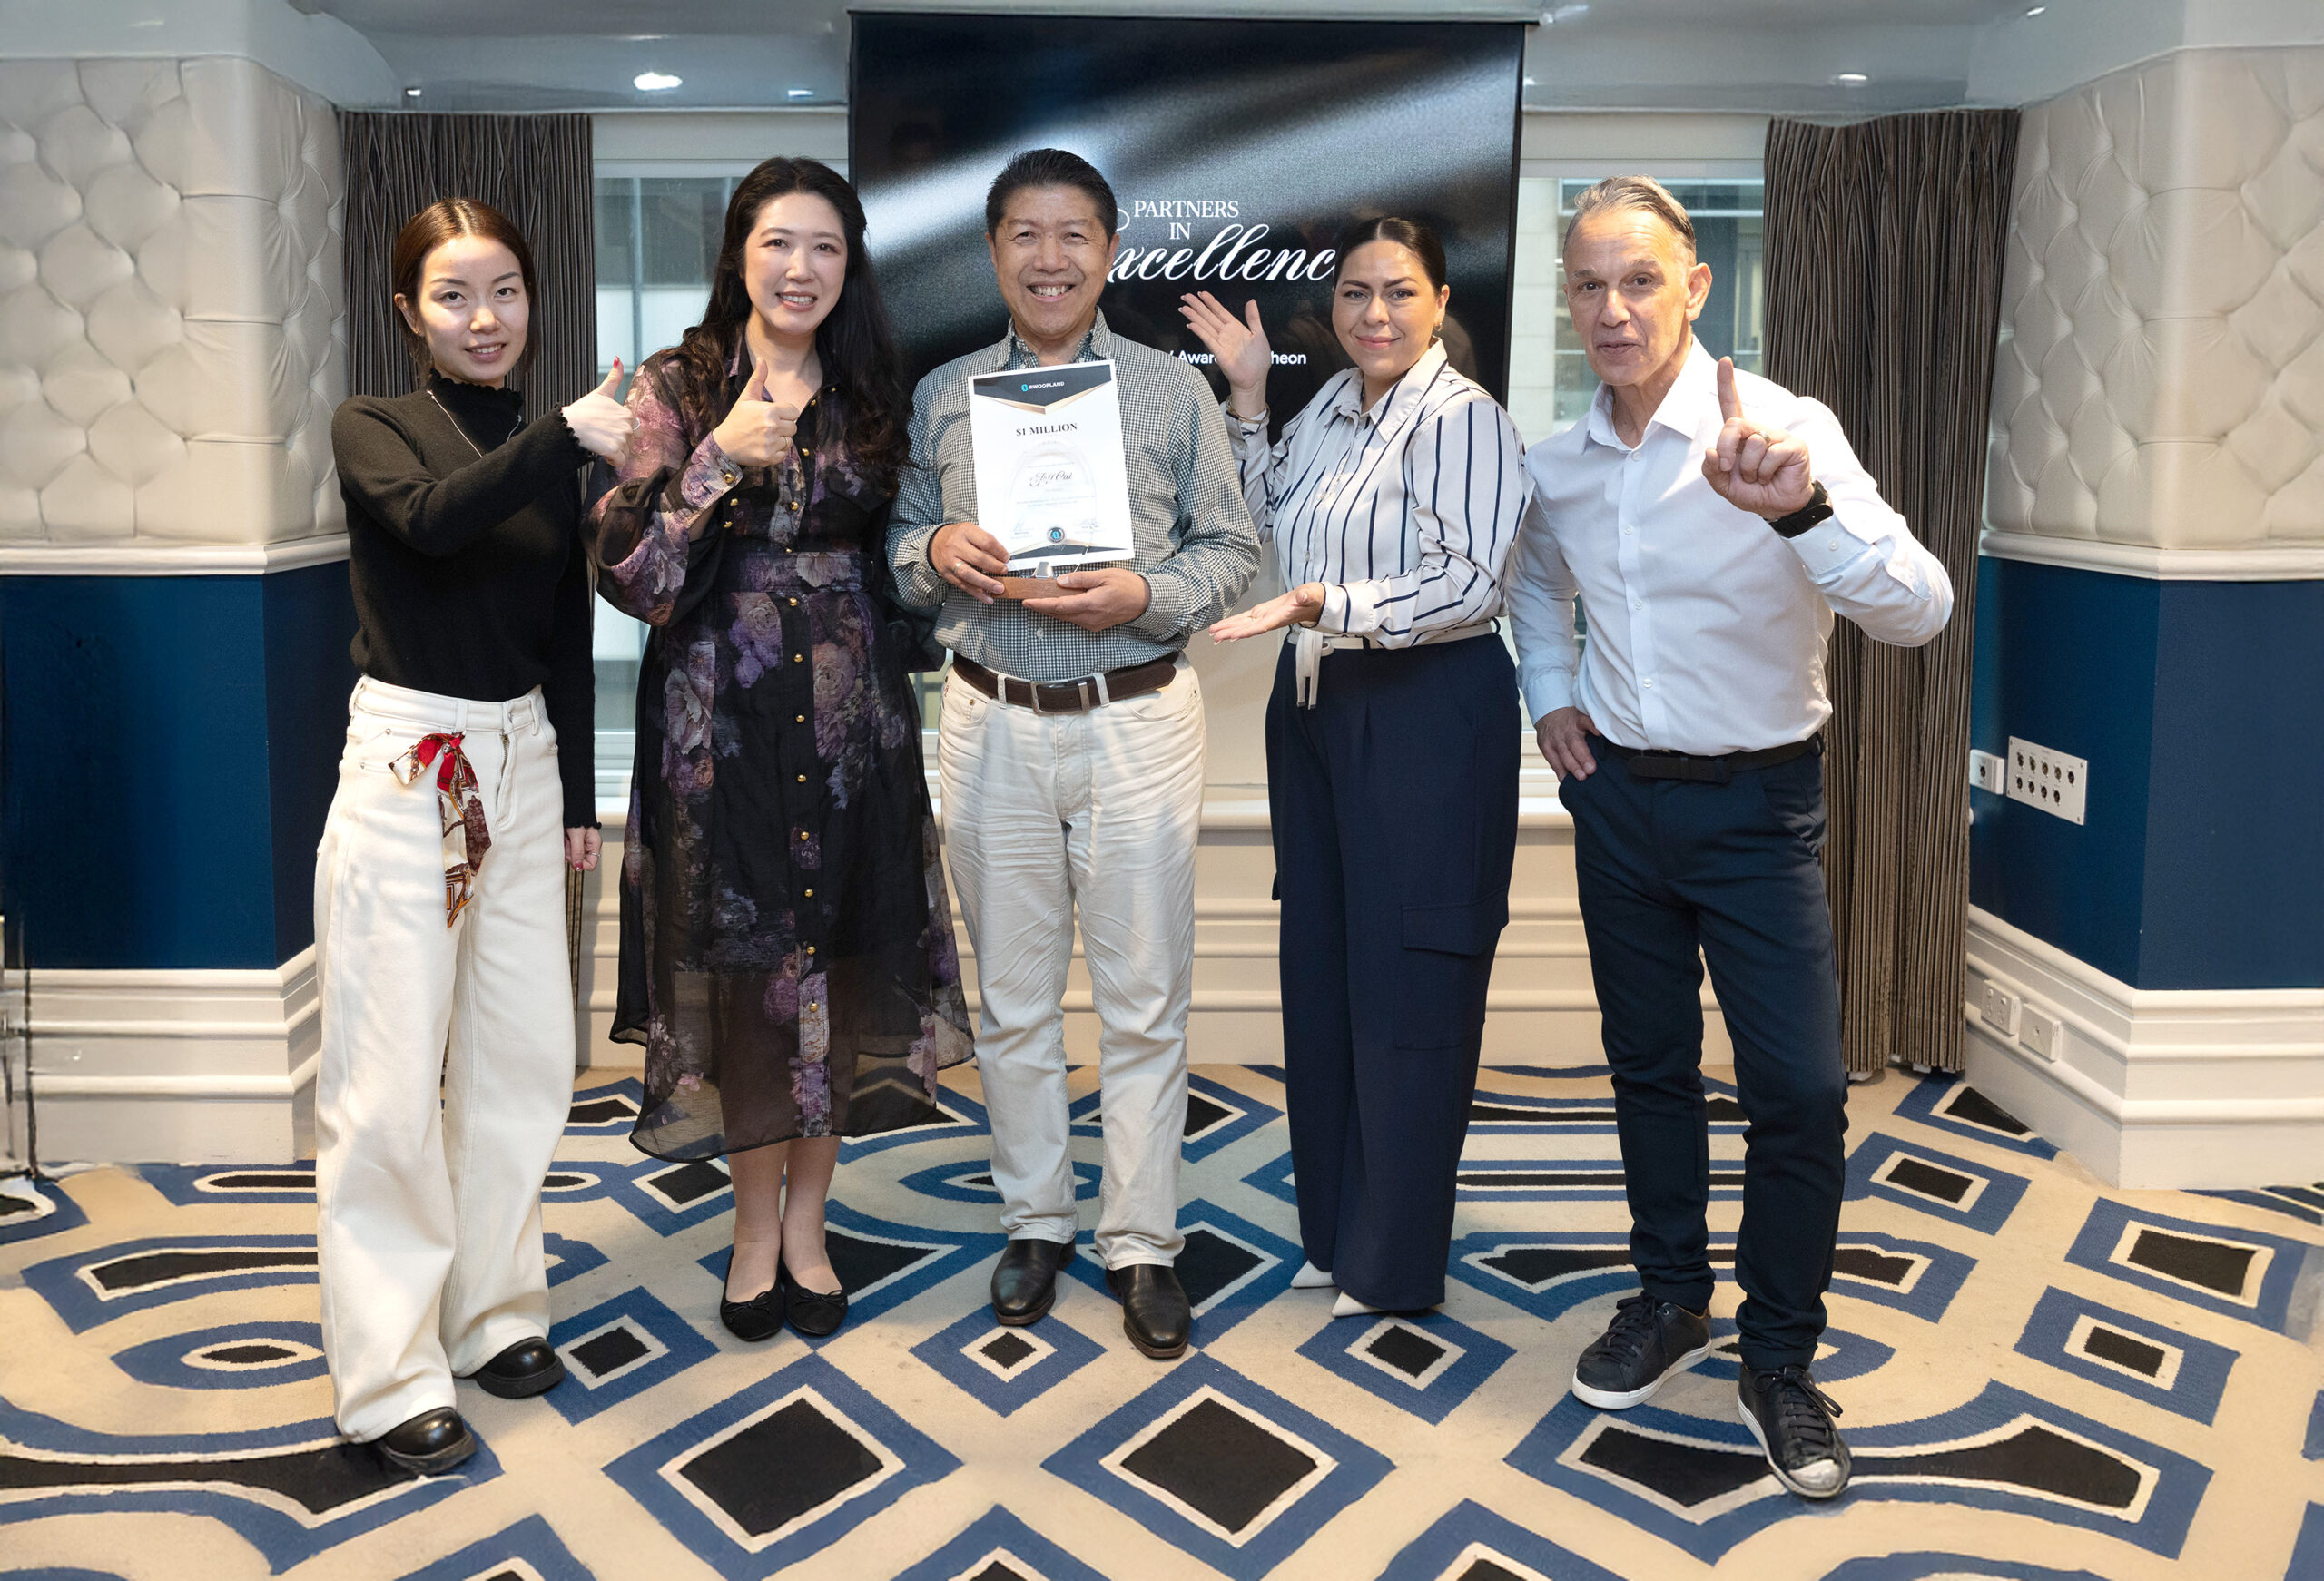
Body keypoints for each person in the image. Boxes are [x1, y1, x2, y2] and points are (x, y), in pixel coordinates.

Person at [1509, 175, 1953, 1498]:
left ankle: (1779, 1357)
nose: (1612, 309)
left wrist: (1800, 515)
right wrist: (1552, 696)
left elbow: (1920, 610)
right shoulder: (1557, 464)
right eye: (1589, 285)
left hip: (1760, 808)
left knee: (1799, 1091)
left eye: (1639, 280)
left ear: (1695, 285)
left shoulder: (1782, 430)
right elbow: (1535, 588)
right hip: (1618, 804)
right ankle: (1669, 1297)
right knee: (1646, 1067)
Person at [588, 158, 974, 1343]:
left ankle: (810, 1225)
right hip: (722, 737)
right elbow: (633, 577)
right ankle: (752, 1233)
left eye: (824, 247)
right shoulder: (679, 384)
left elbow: (905, 563)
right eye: (777, 243)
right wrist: (720, 459)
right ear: (739, 255)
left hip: (857, 734)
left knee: (836, 973)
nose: (800, 268)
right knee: (752, 981)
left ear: (849, 265)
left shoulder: (873, 390)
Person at [888, 148, 1259, 1360]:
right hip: (988, 717)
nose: (1049, 259)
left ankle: (1141, 1239)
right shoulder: (944, 395)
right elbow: (900, 544)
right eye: (1025, 235)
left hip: (1136, 716)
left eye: (1073, 236)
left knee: (1144, 1001)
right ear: (994, 250)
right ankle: (1037, 1219)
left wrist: (1145, 593)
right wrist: (933, 548)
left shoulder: (1171, 393)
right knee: (1012, 998)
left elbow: (1230, 552)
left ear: (1108, 251)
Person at [320, 197, 633, 1473]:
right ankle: (388, 1373)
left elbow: (566, 626)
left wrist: (575, 800)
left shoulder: (554, 442)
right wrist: (566, 433)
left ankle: (495, 1309)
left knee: (523, 1058)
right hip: (414, 757)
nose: (485, 317)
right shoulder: (373, 424)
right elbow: (433, 520)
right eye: (454, 295)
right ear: (410, 311)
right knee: (390, 1079)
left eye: (504, 290)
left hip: (523, 757)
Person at [1178, 216, 1525, 1318]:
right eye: (1354, 294)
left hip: (1426, 709)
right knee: (1324, 973)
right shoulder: (1330, 402)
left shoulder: (1463, 418)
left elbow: (1470, 581)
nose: (1374, 314)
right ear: (1329, 308)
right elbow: (1263, 522)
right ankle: (1332, 1231)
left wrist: (1330, 602)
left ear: (1440, 301)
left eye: (1399, 292)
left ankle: (1393, 1256)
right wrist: (1246, 398)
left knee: (1410, 982)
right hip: (1316, 707)